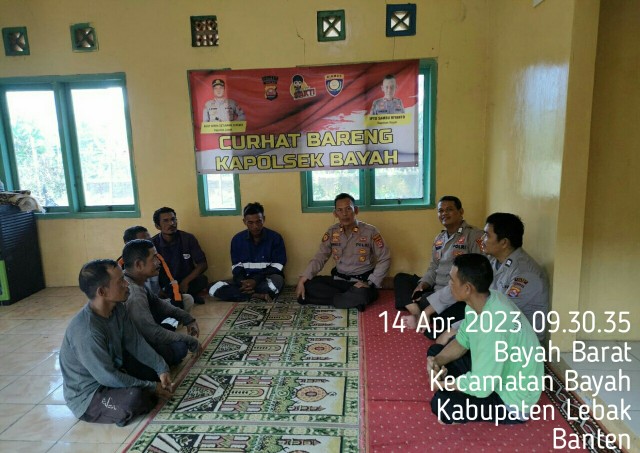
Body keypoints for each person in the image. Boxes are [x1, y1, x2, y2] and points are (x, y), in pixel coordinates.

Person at [427, 254, 543, 425]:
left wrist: (444, 384)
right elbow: (462, 341)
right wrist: (436, 362)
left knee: (443, 404)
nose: (449, 284)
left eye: (452, 280)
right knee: (435, 351)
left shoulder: (493, 324)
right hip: (495, 373)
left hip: (511, 400)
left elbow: (482, 386)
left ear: (467, 288)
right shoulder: (482, 301)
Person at [60, 259, 173, 426]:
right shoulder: (87, 331)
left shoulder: (117, 308)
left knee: (161, 360)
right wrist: (151, 386)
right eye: (120, 281)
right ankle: (117, 405)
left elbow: (135, 343)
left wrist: (161, 367)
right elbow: (107, 376)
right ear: (102, 292)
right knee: (136, 398)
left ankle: (134, 388)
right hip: (90, 394)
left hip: (114, 372)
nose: (127, 284)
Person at [438, 213, 549, 344]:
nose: (482, 239)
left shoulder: (524, 273)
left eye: (487, 235)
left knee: (449, 342)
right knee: (448, 330)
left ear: (504, 242)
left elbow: (497, 314)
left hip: (517, 342)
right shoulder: (493, 260)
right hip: (495, 328)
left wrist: (454, 330)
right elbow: (465, 287)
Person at [394, 196, 483, 336]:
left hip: (456, 293)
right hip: (435, 288)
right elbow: (433, 266)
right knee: (401, 279)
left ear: (461, 212)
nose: (444, 214)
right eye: (441, 211)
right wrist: (423, 284)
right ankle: (418, 313)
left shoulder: (473, 235)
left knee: (440, 321)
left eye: (449, 209)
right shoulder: (439, 238)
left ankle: (426, 310)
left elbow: (475, 274)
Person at [296, 193, 391, 311]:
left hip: (361, 282)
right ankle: (349, 300)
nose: (344, 214)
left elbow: (385, 258)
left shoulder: (370, 231)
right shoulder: (332, 232)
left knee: (363, 293)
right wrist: (304, 277)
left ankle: (349, 299)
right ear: (335, 213)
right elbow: (320, 257)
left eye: (348, 209)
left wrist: (371, 282)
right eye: (340, 210)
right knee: (307, 285)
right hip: (339, 280)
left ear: (356, 210)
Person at [123, 239, 202, 366]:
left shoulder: (135, 280)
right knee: (180, 347)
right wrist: (188, 340)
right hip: (132, 347)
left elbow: (160, 305)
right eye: (154, 258)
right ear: (139, 264)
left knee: (183, 302)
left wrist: (188, 319)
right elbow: (152, 333)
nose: (158, 261)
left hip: (143, 332)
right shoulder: (135, 294)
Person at [209, 202, 286, 302]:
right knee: (213, 287)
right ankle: (256, 295)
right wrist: (243, 282)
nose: (255, 226)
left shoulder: (275, 238)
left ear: (264, 219)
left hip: (265, 279)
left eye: (258, 221)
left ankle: (242, 293)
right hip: (245, 279)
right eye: (250, 223)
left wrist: (255, 280)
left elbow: (278, 266)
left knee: (277, 282)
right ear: (244, 221)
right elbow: (236, 266)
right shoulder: (237, 239)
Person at [121, 225, 194, 313]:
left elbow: (171, 284)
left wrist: (175, 305)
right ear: (129, 245)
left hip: (156, 303)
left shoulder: (157, 260)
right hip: (137, 308)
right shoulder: (120, 266)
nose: (149, 244)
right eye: (143, 242)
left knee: (187, 299)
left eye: (150, 240)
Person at [151, 207, 209, 305]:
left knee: (202, 280)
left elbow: (202, 264)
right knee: (157, 289)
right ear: (157, 226)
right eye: (166, 221)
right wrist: (158, 288)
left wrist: (185, 282)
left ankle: (178, 296)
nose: (171, 223)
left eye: (173, 219)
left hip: (185, 281)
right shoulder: (152, 244)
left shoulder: (188, 238)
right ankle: (184, 297)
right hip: (165, 283)